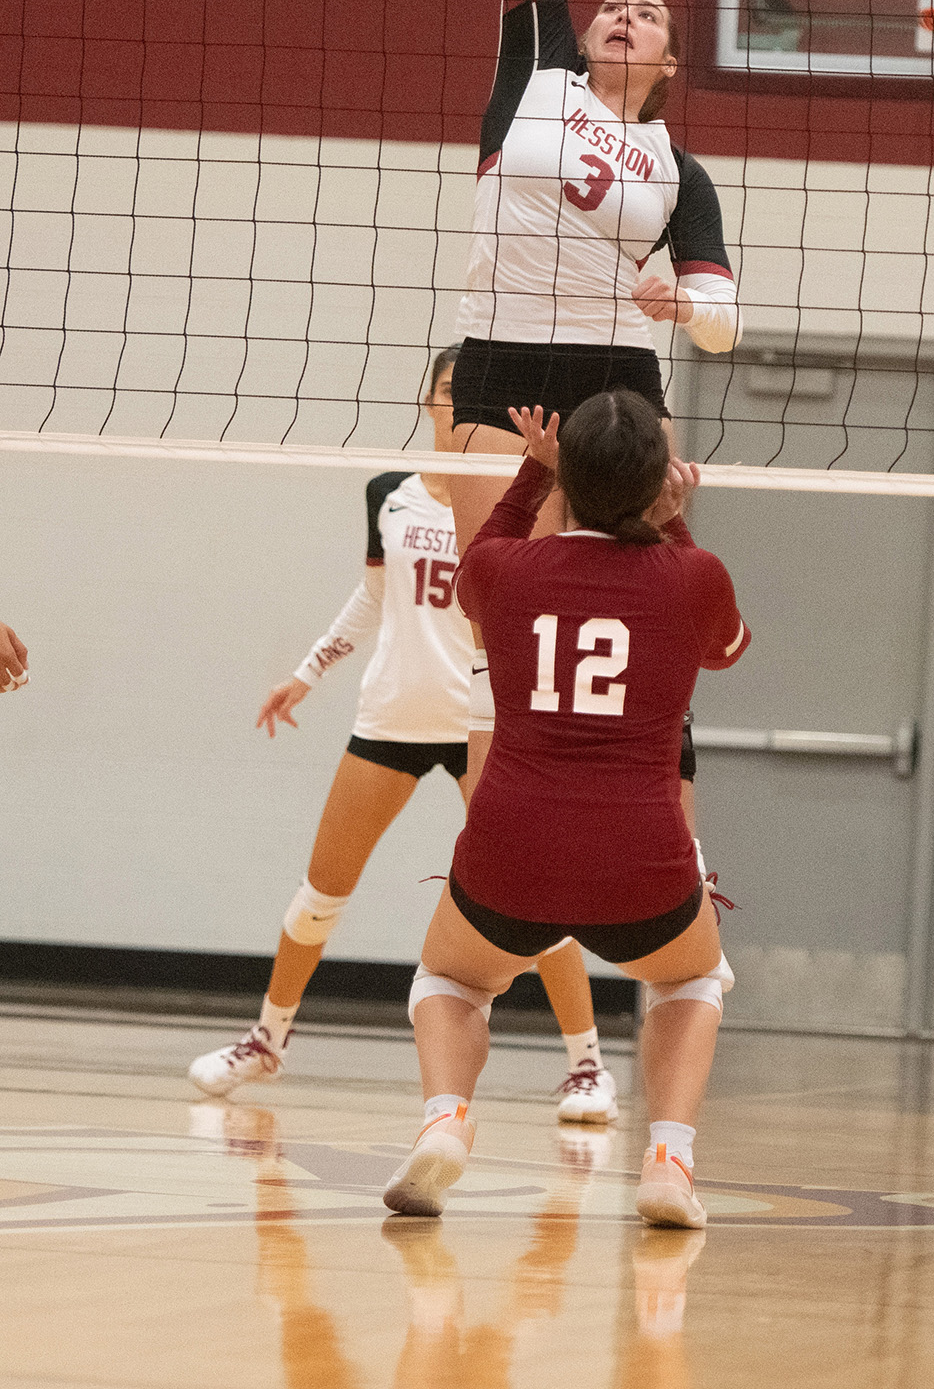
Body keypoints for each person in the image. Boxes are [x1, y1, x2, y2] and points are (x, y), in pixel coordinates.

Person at [187, 349, 617, 1122]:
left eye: (473, 396)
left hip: (483, 724)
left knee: (531, 895)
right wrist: (306, 673)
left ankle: (587, 1065)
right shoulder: (389, 494)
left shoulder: (526, 498)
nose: (460, 407)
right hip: (391, 716)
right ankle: (267, 1038)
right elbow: (372, 596)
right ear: (428, 404)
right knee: (322, 890)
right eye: (450, 394)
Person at [446, 0, 741, 755]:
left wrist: (681, 303)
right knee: (493, 622)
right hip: (501, 354)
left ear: (667, 60)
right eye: (611, 3)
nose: (622, 11)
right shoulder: (536, 70)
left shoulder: (680, 171)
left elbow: (722, 318)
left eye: (646, 12)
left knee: (632, 618)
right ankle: (503, 856)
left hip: (621, 379)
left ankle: (654, 811)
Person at [382, 390, 750, 1228]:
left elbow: (487, 556)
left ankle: (445, 1122)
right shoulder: (695, 576)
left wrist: (529, 473)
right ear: (660, 481)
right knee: (692, 978)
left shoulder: (503, 573)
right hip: (641, 857)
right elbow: (727, 650)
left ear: (565, 480)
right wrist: (675, 526)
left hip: (511, 844)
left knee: (448, 980)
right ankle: (667, 1162)